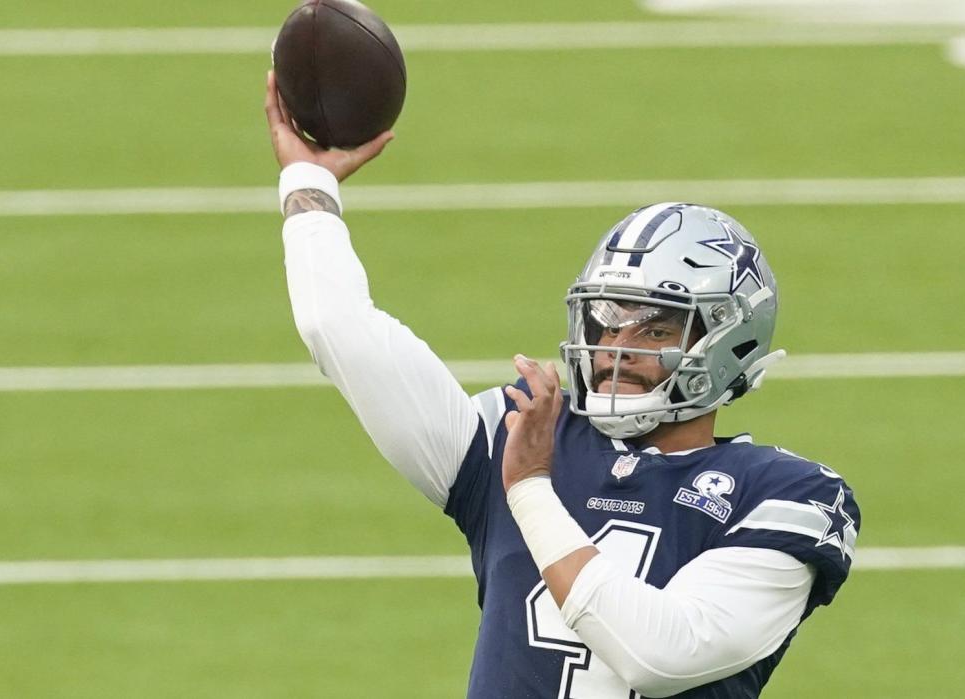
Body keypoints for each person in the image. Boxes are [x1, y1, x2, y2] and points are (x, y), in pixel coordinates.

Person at [265, 71, 861, 698]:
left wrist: (528, 489)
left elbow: (661, 654)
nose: (616, 349)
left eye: (656, 329)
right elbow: (337, 328)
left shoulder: (787, 496)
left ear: (730, 342)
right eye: (605, 322)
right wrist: (311, 185)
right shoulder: (519, 429)